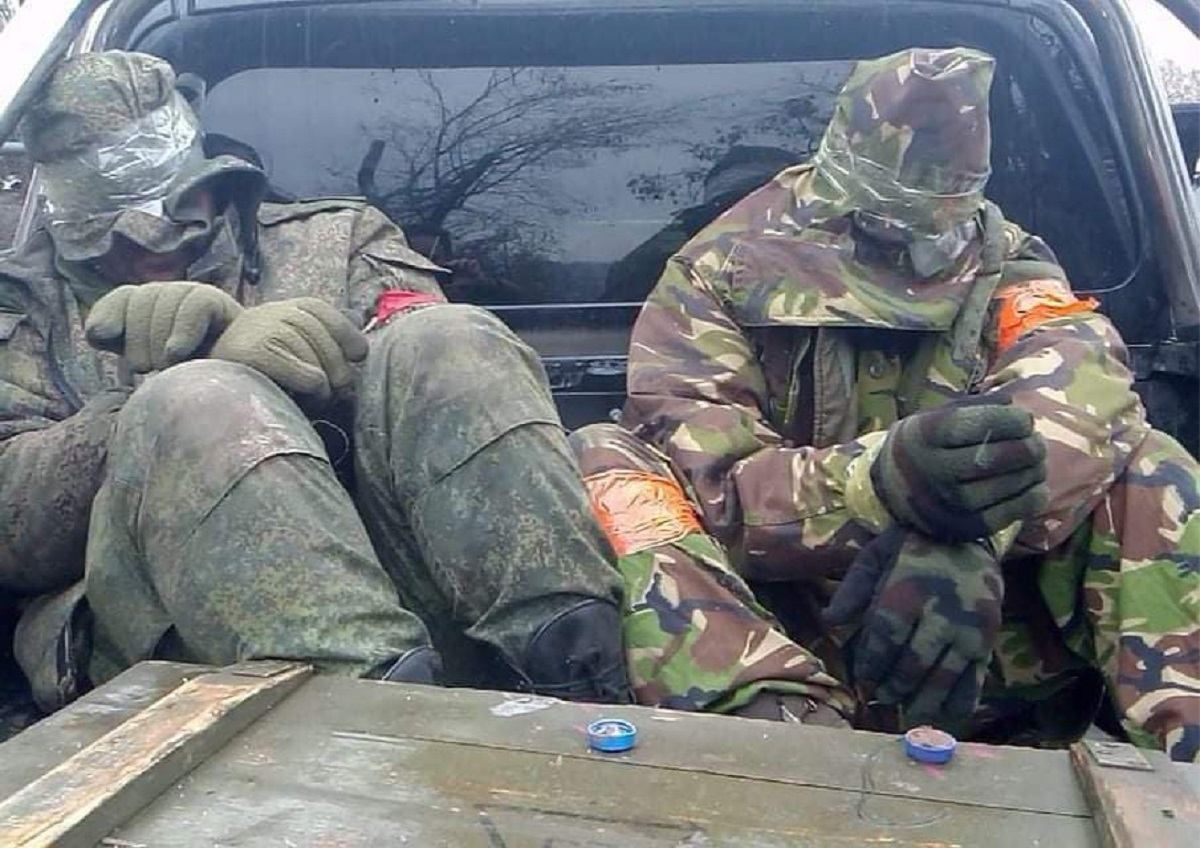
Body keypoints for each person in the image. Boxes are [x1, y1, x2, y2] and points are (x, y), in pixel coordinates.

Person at [572, 46, 1200, 759]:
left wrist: (967, 528)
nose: (910, 252)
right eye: (886, 230)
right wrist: (881, 482)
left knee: (1153, 468)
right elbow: (712, 486)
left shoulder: (1011, 264)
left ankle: (1183, 780)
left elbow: (1081, 393)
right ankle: (784, 761)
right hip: (777, 632)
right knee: (610, 466)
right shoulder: (719, 272)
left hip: (981, 643)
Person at [0, 51, 631, 713]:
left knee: (450, 339)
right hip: (172, 643)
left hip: (421, 596)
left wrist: (312, 371)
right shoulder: (25, 306)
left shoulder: (339, 239)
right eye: (114, 237)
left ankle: (578, 686)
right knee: (198, 400)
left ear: (211, 179)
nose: (146, 248)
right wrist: (145, 408)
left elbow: (442, 383)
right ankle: (370, 728)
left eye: (175, 211)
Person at [603, 146, 798, 303]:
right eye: (730, 207)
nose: (746, 217)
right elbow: (611, 313)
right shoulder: (675, 248)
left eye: (769, 205)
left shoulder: (821, 245)